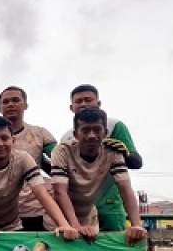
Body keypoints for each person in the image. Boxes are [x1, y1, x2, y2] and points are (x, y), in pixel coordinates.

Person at [0, 116, 77, 240]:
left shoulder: (23, 159)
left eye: (5, 138)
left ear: (13, 140)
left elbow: (42, 195)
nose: (0, 143)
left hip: (11, 227)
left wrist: (64, 225)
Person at [51, 108, 147, 245]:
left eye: (97, 130)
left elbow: (125, 189)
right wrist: (74, 226)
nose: (91, 135)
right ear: (75, 134)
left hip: (88, 218)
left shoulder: (113, 152)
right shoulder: (62, 151)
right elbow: (60, 192)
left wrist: (136, 224)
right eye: (85, 130)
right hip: (59, 219)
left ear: (106, 133)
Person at [60, 84, 143, 231]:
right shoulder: (66, 138)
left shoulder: (114, 125)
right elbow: (62, 176)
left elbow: (136, 162)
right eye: (79, 101)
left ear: (98, 104)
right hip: (80, 209)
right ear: (71, 107)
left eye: (88, 100)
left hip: (110, 204)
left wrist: (124, 153)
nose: (84, 104)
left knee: (113, 248)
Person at [0, 86, 58, 231]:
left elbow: (59, 159)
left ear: (25, 105)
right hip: (1, 211)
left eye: (15, 100)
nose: (10, 104)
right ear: (0, 108)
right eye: (5, 102)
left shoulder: (40, 133)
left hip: (34, 209)